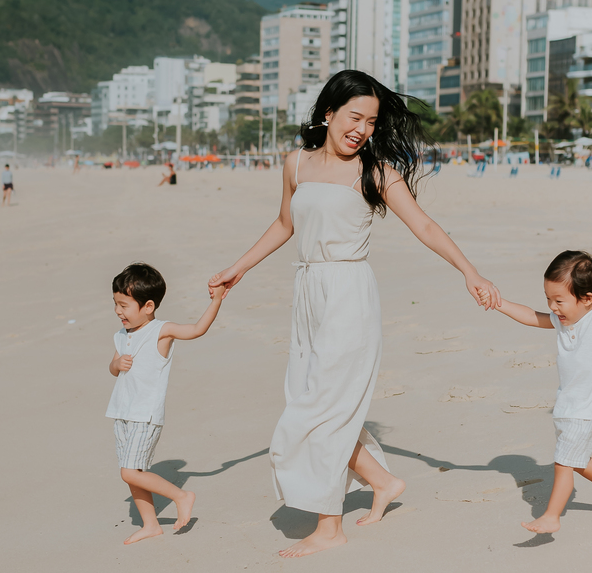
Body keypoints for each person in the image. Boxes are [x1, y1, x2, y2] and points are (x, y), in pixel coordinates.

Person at [208, 70, 501, 558]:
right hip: (307, 291)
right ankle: (382, 482)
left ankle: (330, 525)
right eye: (354, 117)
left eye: (370, 121)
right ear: (328, 113)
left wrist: (470, 272)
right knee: (312, 400)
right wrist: (237, 268)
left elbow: (424, 226)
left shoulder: (377, 171)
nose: (362, 129)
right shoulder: (296, 163)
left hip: (348, 293)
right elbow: (285, 223)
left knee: (322, 410)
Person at [484, 247, 592, 534]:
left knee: (564, 461)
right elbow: (530, 315)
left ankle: (552, 516)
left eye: (559, 300)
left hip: (589, 408)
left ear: (587, 298)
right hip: (567, 406)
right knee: (576, 460)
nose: (553, 307)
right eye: (549, 300)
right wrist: (498, 303)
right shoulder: (561, 322)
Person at [106, 263, 227, 544]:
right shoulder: (122, 335)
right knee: (132, 475)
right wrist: (116, 363)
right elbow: (112, 369)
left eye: (124, 305)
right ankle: (151, 525)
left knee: (130, 471)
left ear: (148, 306)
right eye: (115, 303)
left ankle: (181, 496)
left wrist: (217, 299)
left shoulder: (161, 331)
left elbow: (197, 330)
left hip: (144, 414)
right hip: (121, 412)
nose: (117, 311)